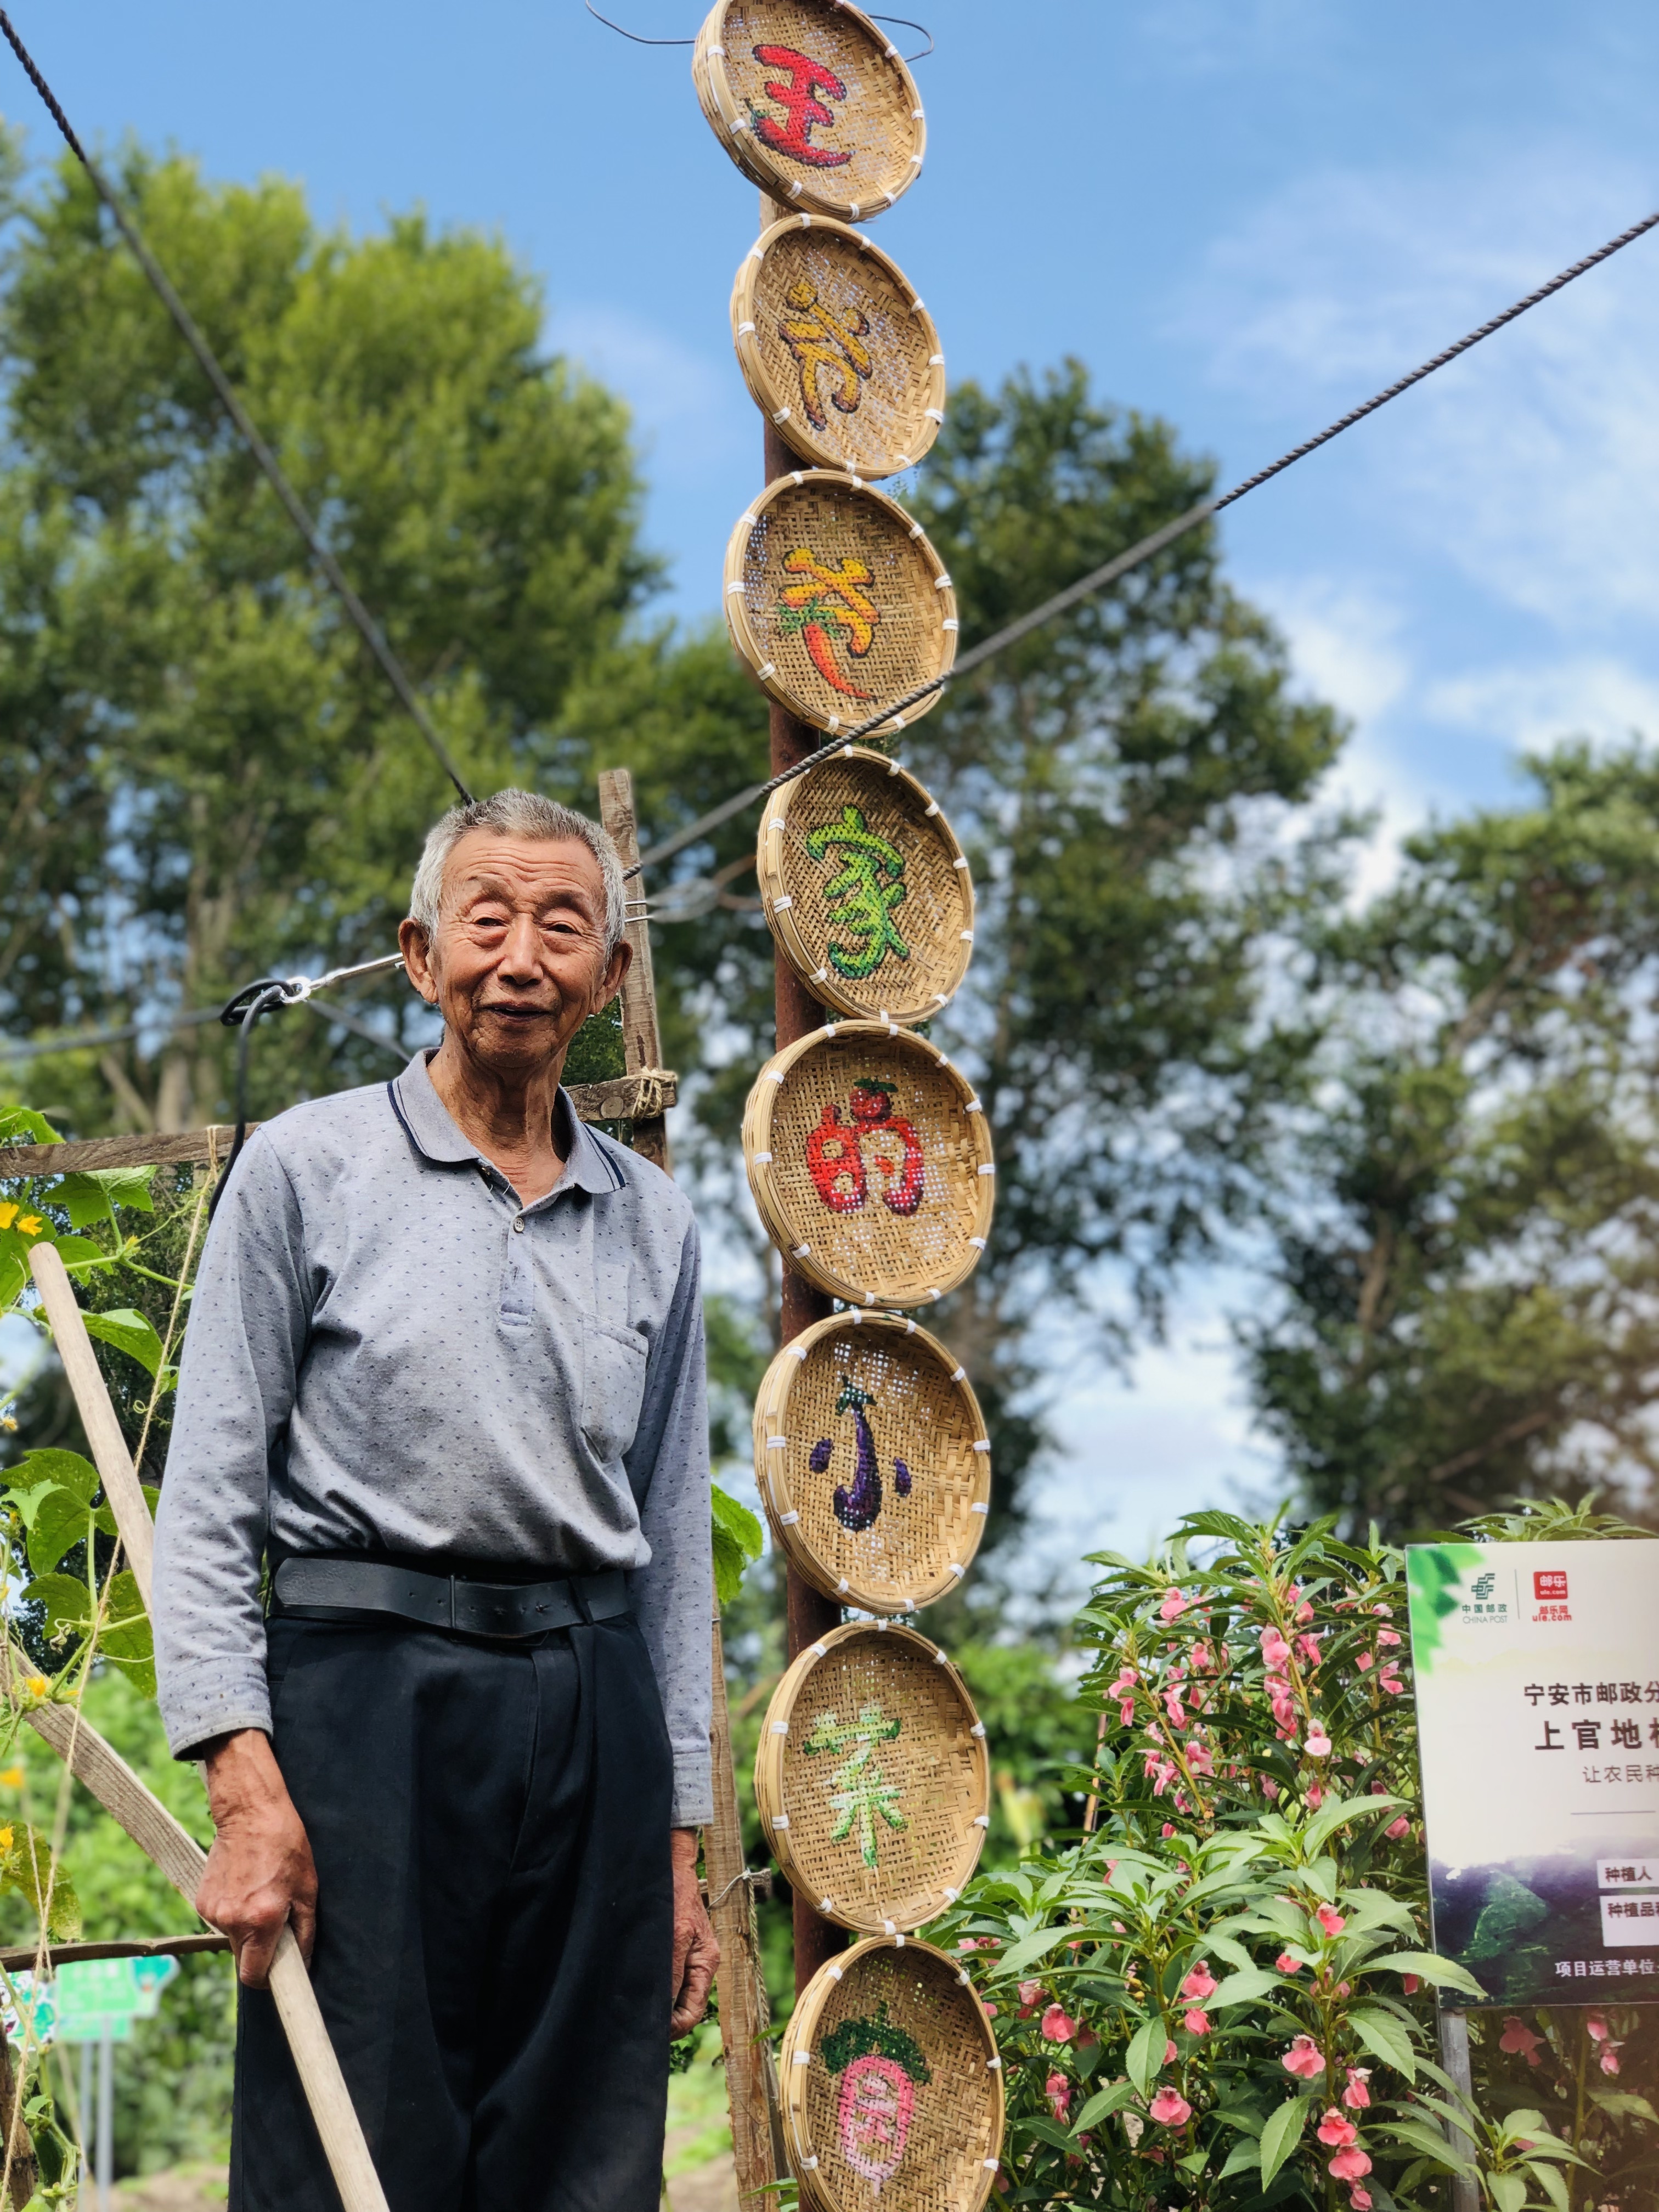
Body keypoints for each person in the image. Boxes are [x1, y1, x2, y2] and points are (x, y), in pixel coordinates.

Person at [153, 789, 718, 2211]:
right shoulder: (305, 1169)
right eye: (487, 919)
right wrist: (240, 1771)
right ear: (420, 955)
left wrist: (681, 1834)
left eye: (560, 923)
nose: (520, 956)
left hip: (593, 1711)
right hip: (365, 1710)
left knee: (584, 2157)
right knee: (348, 2153)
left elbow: (673, 1550)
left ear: (610, 974)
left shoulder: (654, 1223)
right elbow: (210, 1493)